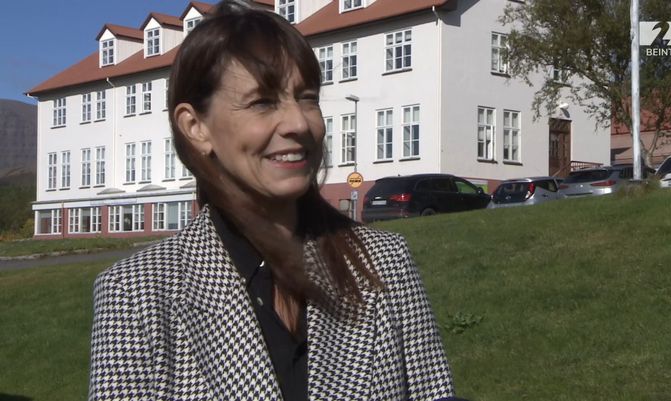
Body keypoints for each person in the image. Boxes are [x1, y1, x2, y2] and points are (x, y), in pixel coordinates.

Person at [89, 1, 459, 400]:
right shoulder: (137, 294)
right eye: (262, 102)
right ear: (195, 127)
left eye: (307, 97)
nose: (299, 123)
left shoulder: (383, 264)